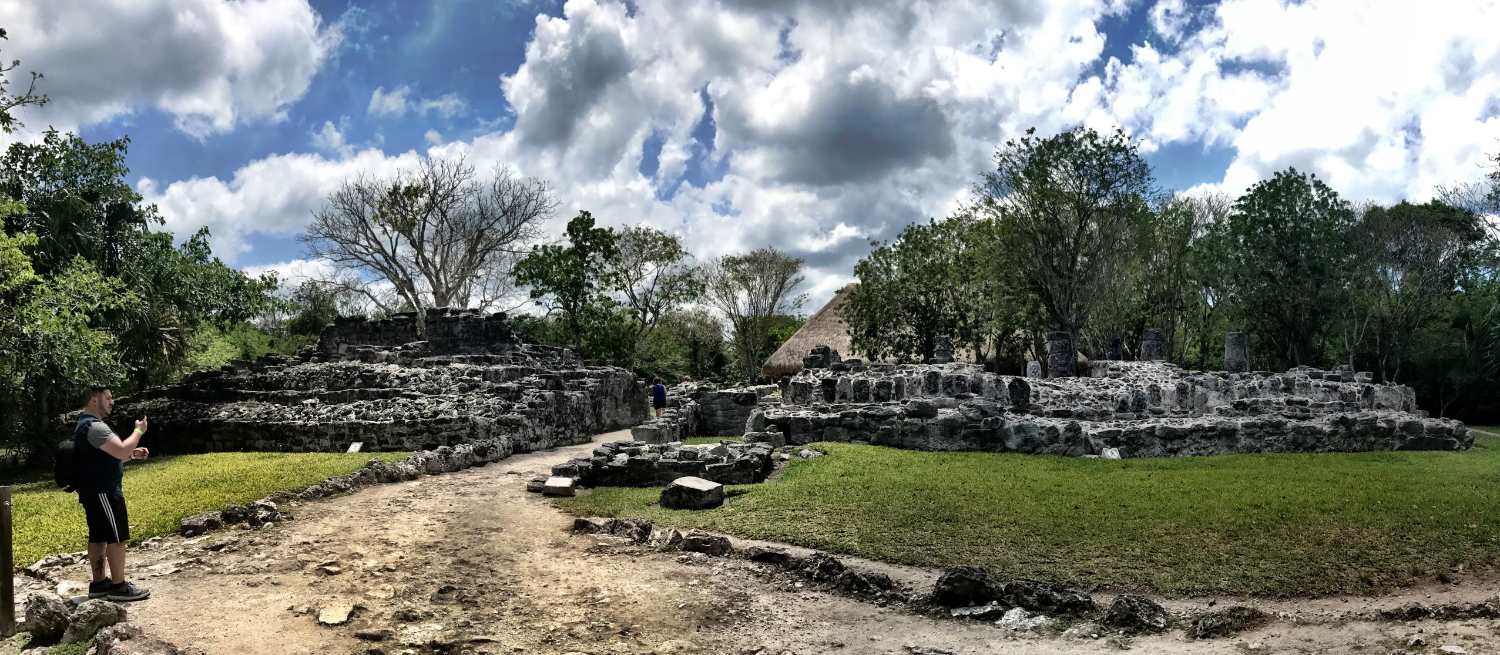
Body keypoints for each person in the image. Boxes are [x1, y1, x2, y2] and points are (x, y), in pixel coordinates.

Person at [75, 385, 151, 602]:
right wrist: (138, 431)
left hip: (93, 491)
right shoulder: (96, 427)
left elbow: (108, 457)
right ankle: (119, 586)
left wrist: (132, 455)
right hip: (106, 492)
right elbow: (121, 449)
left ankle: (99, 584)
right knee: (116, 537)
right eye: (107, 398)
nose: (112, 402)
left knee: (98, 537)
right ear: (94, 400)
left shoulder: (84, 426)